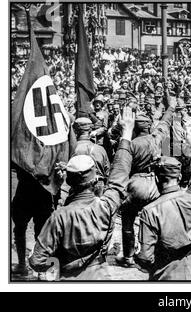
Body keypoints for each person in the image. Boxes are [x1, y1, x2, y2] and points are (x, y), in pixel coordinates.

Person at [29, 107, 136, 280]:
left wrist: (62, 263)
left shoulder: (59, 217)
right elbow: (119, 174)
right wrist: (127, 134)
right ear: (95, 180)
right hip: (100, 275)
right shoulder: (106, 205)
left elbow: (36, 261)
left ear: (68, 181)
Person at [134, 127, 191, 280]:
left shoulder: (150, 211)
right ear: (179, 177)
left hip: (166, 273)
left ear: (157, 179)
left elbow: (145, 257)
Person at [115, 99, 176, 267]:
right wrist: (171, 107)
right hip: (157, 184)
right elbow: (165, 122)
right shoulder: (157, 137)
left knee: (128, 221)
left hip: (137, 184)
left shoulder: (131, 144)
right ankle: (154, 255)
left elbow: (122, 167)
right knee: (157, 221)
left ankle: (128, 257)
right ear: (149, 127)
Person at [11, 169, 55, 276]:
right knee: (39, 231)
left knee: (22, 229)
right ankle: (36, 268)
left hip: (29, 189)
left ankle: (27, 265)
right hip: (41, 190)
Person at [72, 117, 110, 197]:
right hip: (98, 187)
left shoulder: (71, 150)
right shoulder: (100, 149)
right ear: (90, 130)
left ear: (75, 131)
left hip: (78, 188)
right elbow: (107, 173)